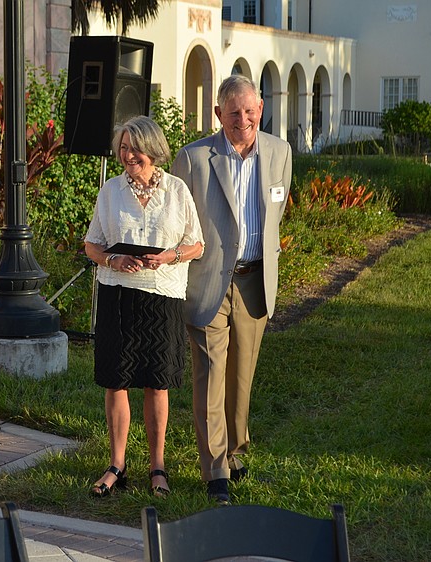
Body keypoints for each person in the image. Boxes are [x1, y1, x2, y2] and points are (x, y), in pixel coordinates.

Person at [172, 74, 292, 504]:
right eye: (233, 112)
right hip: (208, 281)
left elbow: (277, 208)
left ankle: (237, 451)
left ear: (260, 109)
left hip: (255, 279)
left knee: (241, 377)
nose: (242, 118)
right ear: (218, 114)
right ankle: (215, 469)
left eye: (250, 110)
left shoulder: (280, 152)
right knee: (210, 374)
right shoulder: (193, 158)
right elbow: (179, 220)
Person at [84, 115, 204, 498]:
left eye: (134, 147)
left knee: (157, 382)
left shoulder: (177, 191)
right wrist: (112, 261)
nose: (127, 154)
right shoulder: (111, 191)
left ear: (152, 149)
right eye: (122, 147)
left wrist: (170, 256)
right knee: (116, 380)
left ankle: (158, 467)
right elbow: (92, 245)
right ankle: (116, 464)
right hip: (118, 294)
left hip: (163, 295)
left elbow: (196, 245)